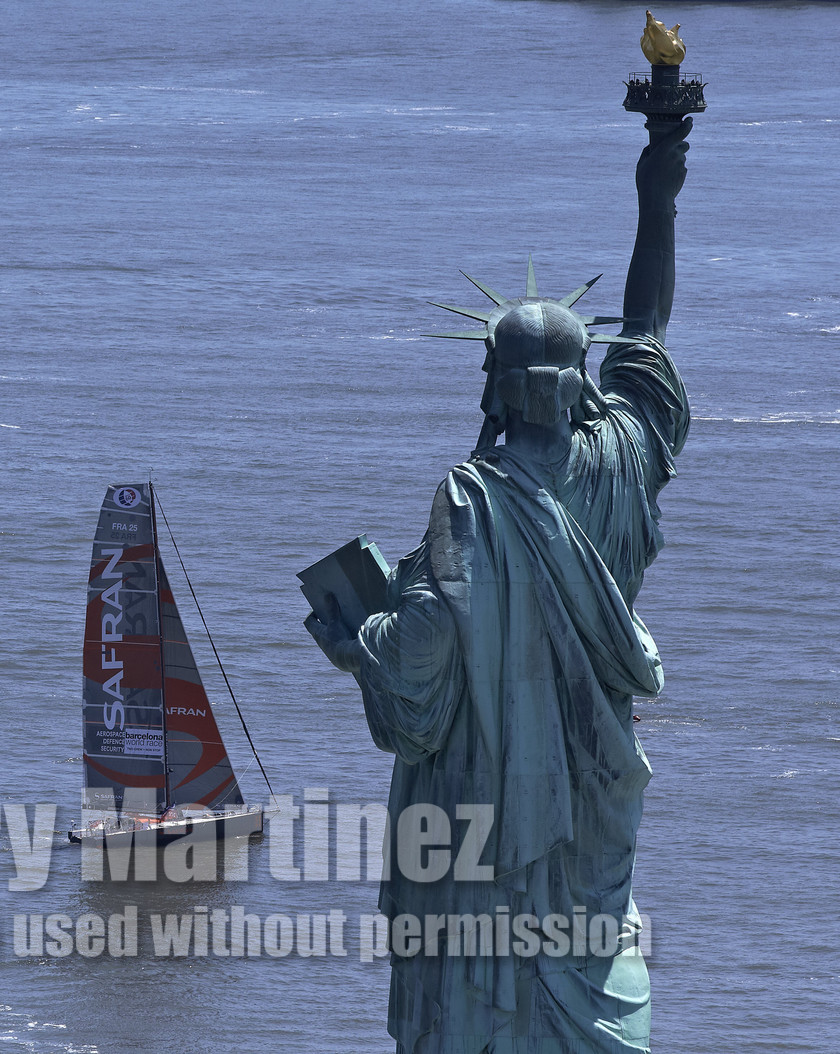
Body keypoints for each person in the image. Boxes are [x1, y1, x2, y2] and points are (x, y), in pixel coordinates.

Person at [306, 117, 692, 1052]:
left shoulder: (470, 500)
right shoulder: (624, 463)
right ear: (576, 387)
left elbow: (423, 662)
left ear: (494, 387)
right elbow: (645, 334)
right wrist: (658, 198)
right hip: (592, 798)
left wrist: (359, 645)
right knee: (592, 958)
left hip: (484, 811)